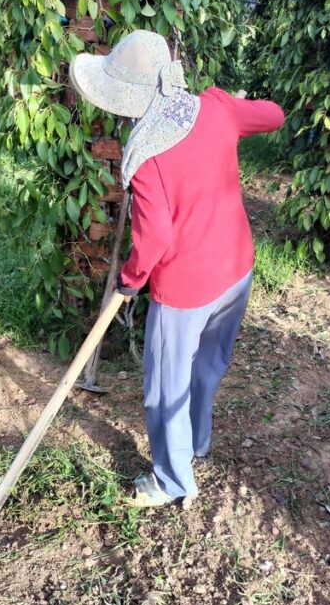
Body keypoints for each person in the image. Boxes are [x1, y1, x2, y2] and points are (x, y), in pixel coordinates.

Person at [69, 29, 285, 508]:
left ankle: (171, 480)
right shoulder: (215, 109)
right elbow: (274, 115)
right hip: (236, 271)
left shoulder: (146, 156)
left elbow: (155, 239)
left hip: (185, 289)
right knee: (207, 368)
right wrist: (228, 103)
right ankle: (197, 445)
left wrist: (129, 280)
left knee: (167, 388)